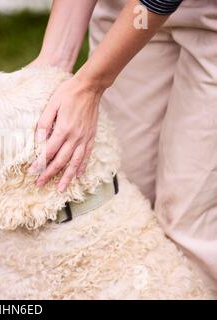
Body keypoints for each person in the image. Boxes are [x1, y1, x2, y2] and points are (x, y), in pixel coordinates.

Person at [28, 0, 217, 295]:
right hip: (128, 11)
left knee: (188, 222)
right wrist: (53, 60)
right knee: (121, 196)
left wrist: (90, 85)